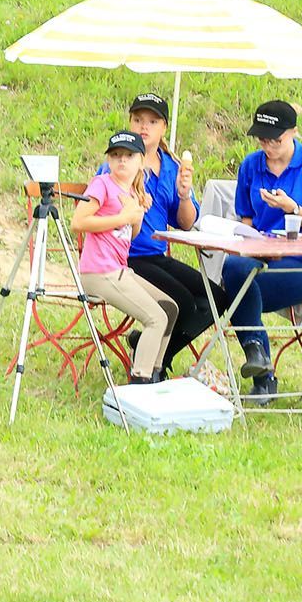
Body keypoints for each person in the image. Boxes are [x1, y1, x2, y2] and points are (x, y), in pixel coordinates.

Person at [224, 100, 302, 402]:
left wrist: (293, 208)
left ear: (294, 133)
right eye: (262, 139)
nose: (268, 146)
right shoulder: (251, 165)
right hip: (260, 258)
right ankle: (258, 357)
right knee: (232, 270)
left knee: (236, 291)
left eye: (276, 140)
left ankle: (262, 374)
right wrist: (255, 247)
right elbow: (245, 223)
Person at [97, 93, 216, 373]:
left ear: (164, 127)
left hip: (156, 254)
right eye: (138, 120)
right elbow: (102, 209)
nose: (144, 127)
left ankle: (151, 348)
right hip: (126, 256)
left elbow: (186, 223)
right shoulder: (120, 162)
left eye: (152, 121)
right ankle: (153, 365)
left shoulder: (173, 167)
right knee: (183, 303)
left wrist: (184, 195)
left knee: (216, 297)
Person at [72, 130, 179, 385]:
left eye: (129, 156)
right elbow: (78, 222)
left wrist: (138, 212)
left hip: (118, 269)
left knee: (169, 308)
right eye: (116, 155)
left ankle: (154, 371)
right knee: (156, 318)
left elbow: (129, 236)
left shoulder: (132, 191)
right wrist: (122, 217)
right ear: (108, 161)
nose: (122, 160)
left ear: (141, 160)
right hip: (98, 271)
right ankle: (140, 382)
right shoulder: (102, 184)